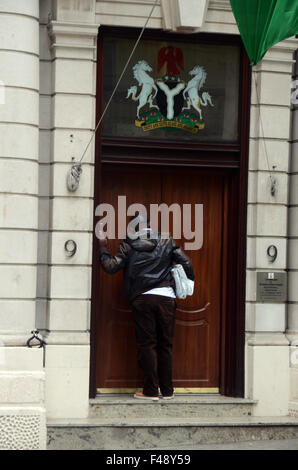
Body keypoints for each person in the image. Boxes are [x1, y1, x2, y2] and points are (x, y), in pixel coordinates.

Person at [98, 212, 194, 401]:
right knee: (165, 344)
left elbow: (111, 266)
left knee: (147, 344)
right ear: (149, 224)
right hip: (166, 297)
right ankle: (167, 391)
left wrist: (102, 248)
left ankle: (151, 391)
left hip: (142, 299)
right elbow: (187, 262)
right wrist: (185, 285)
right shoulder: (166, 240)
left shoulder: (128, 244)